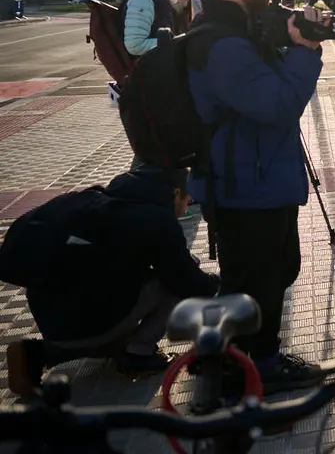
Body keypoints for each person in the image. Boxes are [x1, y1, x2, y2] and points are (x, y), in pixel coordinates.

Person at [186, 0, 328, 393]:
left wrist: (288, 40)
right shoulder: (223, 44)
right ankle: (253, 370)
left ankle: (223, 358)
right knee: (256, 283)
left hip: (255, 176)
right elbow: (277, 106)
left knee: (274, 271)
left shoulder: (236, 32)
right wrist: (305, 52)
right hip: (244, 183)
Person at [1, 169, 220, 396]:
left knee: (103, 314)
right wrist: (219, 282)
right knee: (177, 279)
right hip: (93, 319)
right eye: (187, 200)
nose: (186, 208)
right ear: (175, 193)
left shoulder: (91, 199)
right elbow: (188, 282)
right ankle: (139, 354)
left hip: (50, 320)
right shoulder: (156, 220)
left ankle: (36, 353)